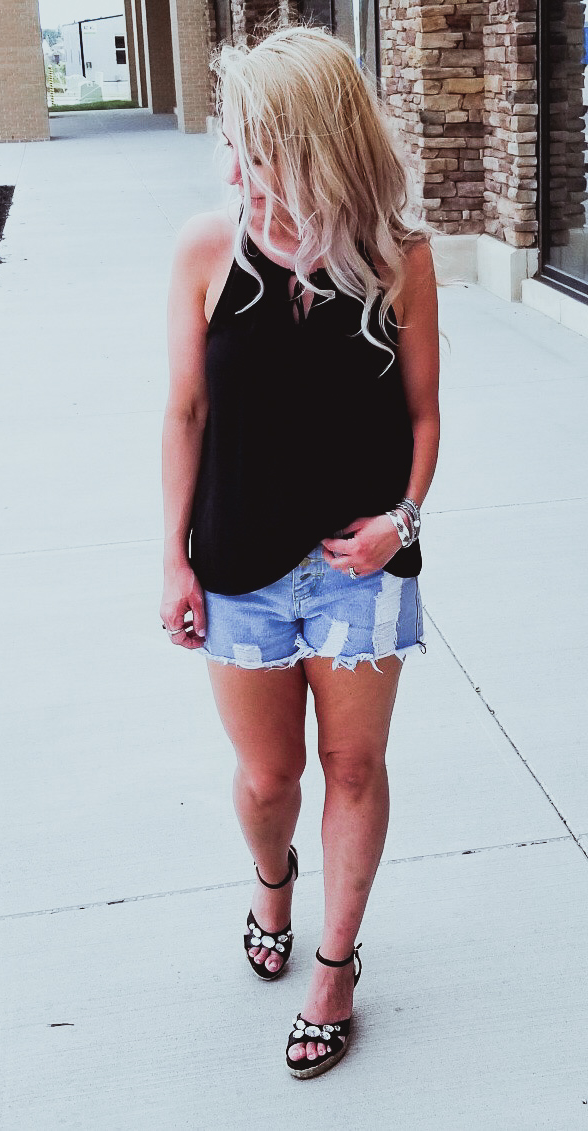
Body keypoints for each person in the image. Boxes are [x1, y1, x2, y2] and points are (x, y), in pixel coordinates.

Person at [160, 25, 440, 1079]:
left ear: (313, 143)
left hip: (357, 568)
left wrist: (397, 523)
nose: (231, 166)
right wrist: (171, 557)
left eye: (252, 144)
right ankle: (270, 885)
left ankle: (332, 968)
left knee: (353, 767)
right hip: (234, 561)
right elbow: (183, 412)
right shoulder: (205, 247)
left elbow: (421, 418)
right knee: (267, 778)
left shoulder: (395, 255)